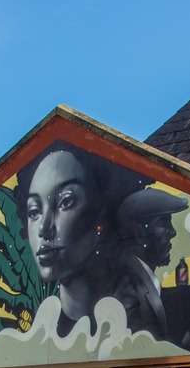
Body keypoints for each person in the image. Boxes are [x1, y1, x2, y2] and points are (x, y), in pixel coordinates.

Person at [13, 144, 142, 336]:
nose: (44, 227)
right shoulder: (38, 334)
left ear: (100, 212)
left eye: (65, 202)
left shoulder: (137, 309)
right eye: (34, 211)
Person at [114, 186, 190, 350]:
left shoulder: (140, 279)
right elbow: (147, 357)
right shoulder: (128, 290)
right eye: (163, 223)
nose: (172, 232)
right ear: (139, 234)